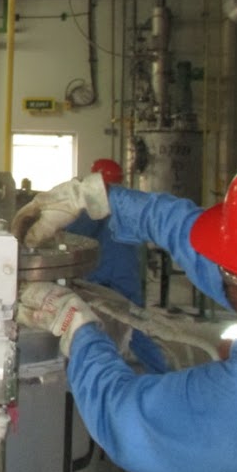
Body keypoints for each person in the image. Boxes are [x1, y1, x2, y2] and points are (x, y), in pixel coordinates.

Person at [10, 149, 237, 472]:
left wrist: (76, 328)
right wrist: (104, 200)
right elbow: (231, 265)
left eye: (231, 270)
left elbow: (126, 417)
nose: (218, 267)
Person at [66, 158, 168, 373]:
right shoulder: (126, 203)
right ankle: (161, 371)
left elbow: (76, 233)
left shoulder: (95, 205)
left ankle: (97, 372)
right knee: (135, 324)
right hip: (127, 273)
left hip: (102, 276)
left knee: (94, 324)